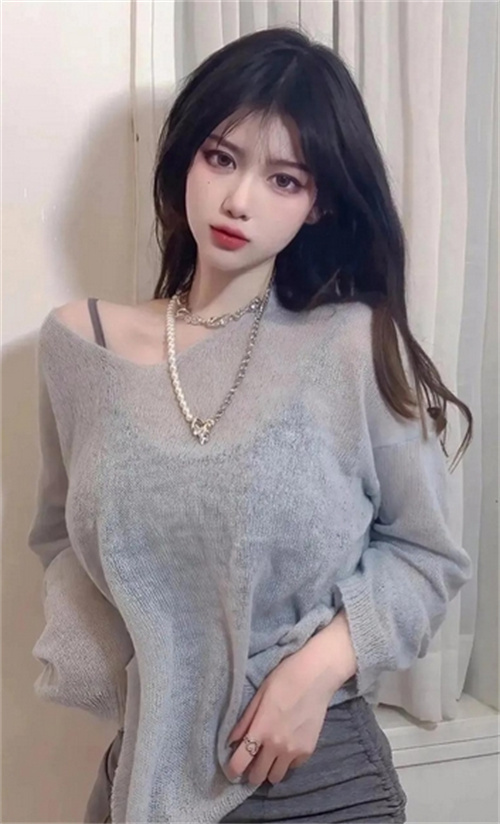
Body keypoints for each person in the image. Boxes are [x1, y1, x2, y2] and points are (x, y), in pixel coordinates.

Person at [28, 25, 474, 824]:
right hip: (141, 777)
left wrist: (315, 671)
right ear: (186, 159)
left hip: (314, 778)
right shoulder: (79, 346)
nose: (239, 201)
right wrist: (107, 661)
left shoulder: (353, 345)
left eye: (284, 179)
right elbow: (60, 534)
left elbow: (427, 555)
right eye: (222, 158)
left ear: (319, 202)